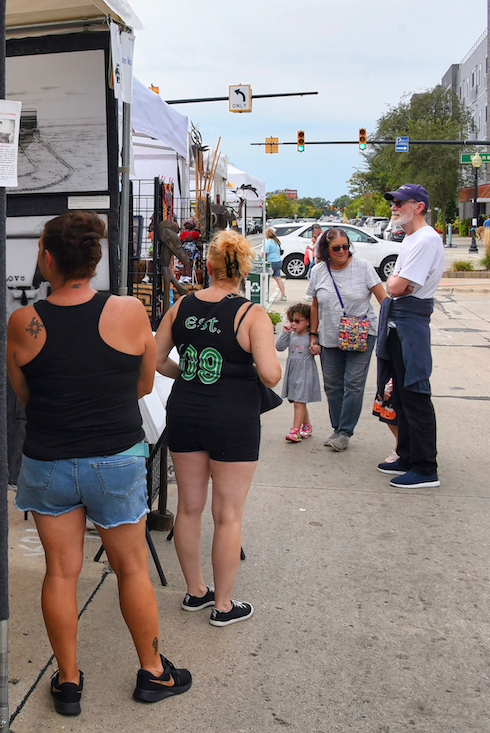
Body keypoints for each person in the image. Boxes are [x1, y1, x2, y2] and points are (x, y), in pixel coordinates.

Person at [8, 211, 191, 712]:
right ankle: (153, 672)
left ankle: (68, 682)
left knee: (60, 573)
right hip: (115, 459)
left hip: (48, 462)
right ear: (94, 260)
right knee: (131, 569)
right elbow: (144, 385)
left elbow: (25, 394)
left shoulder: (24, 322)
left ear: (48, 258)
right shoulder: (128, 311)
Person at [155, 230, 281, 627]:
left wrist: (186, 374)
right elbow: (271, 375)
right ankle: (223, 606)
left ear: (207, 265)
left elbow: (156, 360)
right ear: (244, 269)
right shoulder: (251, 315)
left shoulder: (181, 306)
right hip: (234, 420)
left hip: (186, 413)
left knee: (188, 508)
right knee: (228, 515)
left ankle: (196, 591)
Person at [375, 184, 445, 489]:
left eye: (400, 202)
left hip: (410, 325)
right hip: (398, 323)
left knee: (415, 393)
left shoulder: (426, 240)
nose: (393, 206)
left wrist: (395, 280)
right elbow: (397, 285)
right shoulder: (412, 239)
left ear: (418, 207)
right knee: (401, 395)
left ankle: (425, 467)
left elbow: (395, 286)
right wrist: (396, 282)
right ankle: (406, 455)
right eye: (392, 202)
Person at [307, 228, 386, 452]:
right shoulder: (319, 271)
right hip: (330, 335)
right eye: (336, 248)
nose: (342, 251)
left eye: (345, 246)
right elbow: (315, 305)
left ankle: (345, 432)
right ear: (326, 250)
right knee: (332, 385)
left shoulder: (363, 267)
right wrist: (313, 334)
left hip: (362, 334)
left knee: (353, 384)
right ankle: (337, 428)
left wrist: (393, 327)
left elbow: (383, 299)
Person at [275, 303, 319, 443]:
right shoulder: (291, 335)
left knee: (299, 401)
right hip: (293, 371)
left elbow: (319, 349)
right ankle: (306, 425)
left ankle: (295, 430)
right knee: (298, 400)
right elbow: (279, 347)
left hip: (305, 372)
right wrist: (285, 332)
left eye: (297, 321)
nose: (293, 324)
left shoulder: (312, 337)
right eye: (291, 320)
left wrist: (317, 348)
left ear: (308, 322)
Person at [263, 227, 286, 302]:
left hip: (271, 262)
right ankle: (283, 295)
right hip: (278, 261)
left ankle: (265, 296)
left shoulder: (268, 241)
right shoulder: (277, 241)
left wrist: (263, 258)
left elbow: (265, 252)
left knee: (265, 278)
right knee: (278, 279)